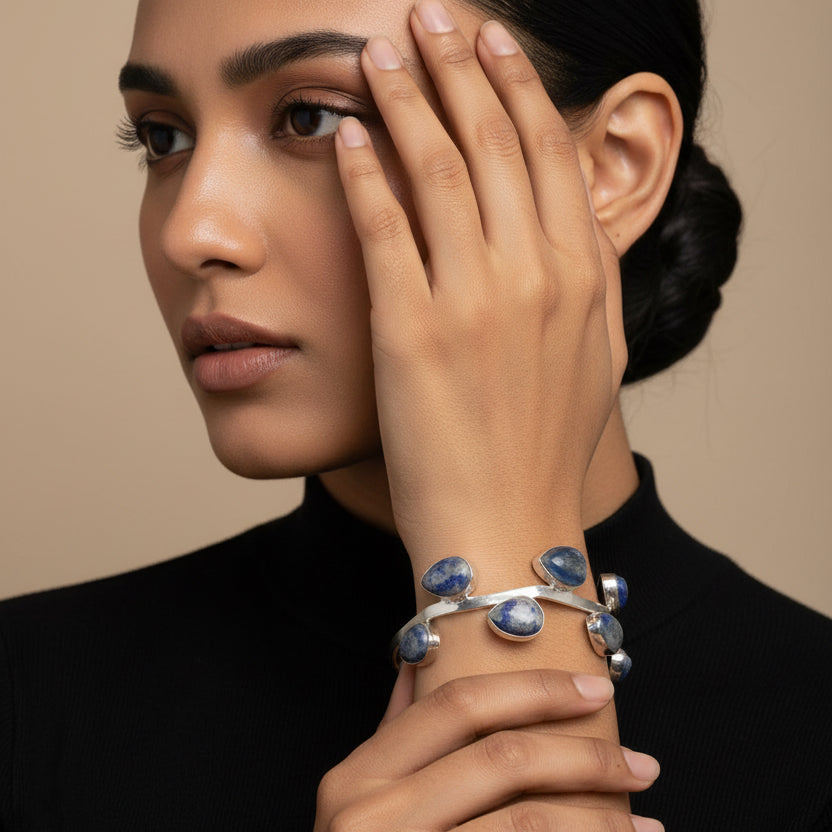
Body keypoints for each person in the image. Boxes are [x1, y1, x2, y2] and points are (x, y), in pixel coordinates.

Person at [1, 0, 830, 829]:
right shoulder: (28, 700)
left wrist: (497, 532)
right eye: (163, 137)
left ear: (613, 165)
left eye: (311, 117)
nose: (192, 231)